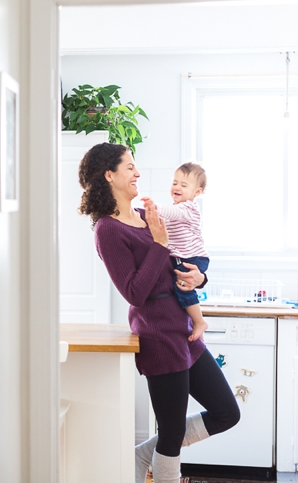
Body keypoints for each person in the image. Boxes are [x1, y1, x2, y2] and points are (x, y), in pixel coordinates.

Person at [77, 143, 240, 483]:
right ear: (110, 175)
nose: (138, 173)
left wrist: (201, 276)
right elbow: (134, 291)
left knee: (227, 412)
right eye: (130, 167)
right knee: (171, 431)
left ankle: (140, 455)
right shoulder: (107, 229)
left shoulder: (144, 216)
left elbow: (183, 256)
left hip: (182, 329)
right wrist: (160, 244)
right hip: (158, 334)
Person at [141, 162, 209, 342]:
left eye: (184, 185)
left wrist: (154, 208)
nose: (177, 187)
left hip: (193, 257)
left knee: (183, 287)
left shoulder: (188, 208)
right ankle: (196, 321)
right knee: (181, 286)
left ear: (197, 193)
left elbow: (172, 212)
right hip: (185, 257)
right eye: (175, 183)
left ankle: (199, 321)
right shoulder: (177, 209)